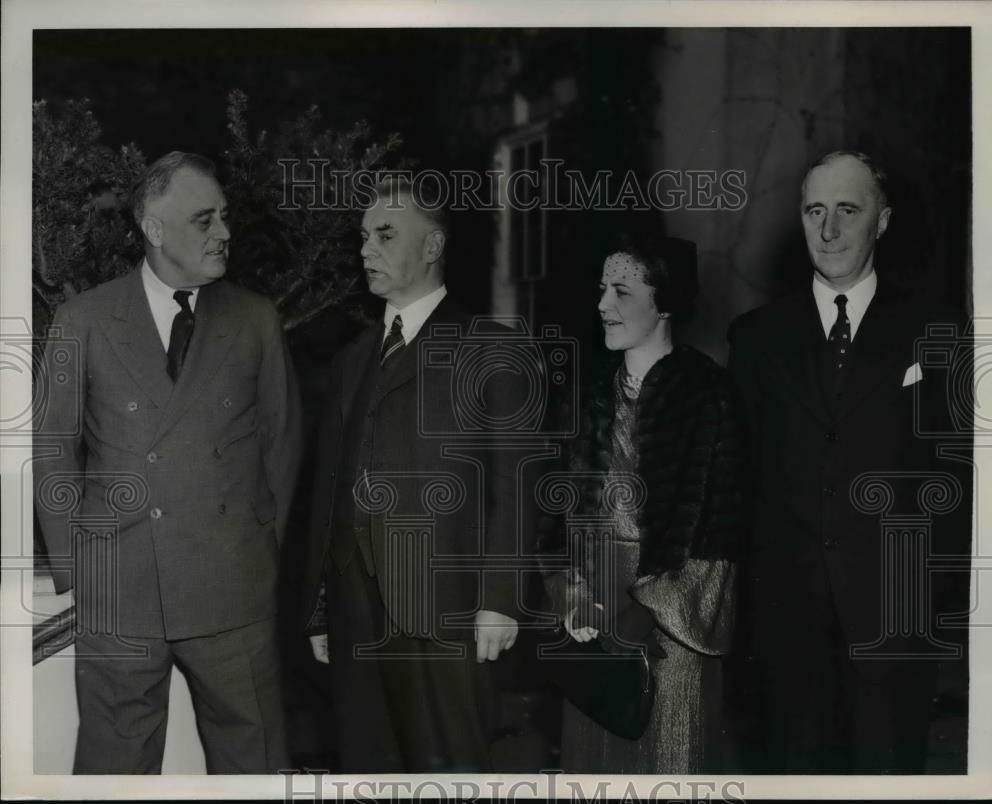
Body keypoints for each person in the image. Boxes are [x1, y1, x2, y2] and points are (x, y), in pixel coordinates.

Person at [33, 152, 303, 773]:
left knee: (254, 765)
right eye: (203, 220)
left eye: (225, 218)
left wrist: (260, 552)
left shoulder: (255, 319)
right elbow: (53, 454)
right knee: (113, 771)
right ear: (154, 230)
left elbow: (282, 447)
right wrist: (80, 575)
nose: (224, 233)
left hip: (232, 591)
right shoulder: (85, 320)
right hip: (120, 592)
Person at [727, 150, 970, 773]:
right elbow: (738, 484)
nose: (829, 230)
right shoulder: (755, 339)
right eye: (815, 211)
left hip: (895, 624)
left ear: (881, 222)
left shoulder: (935, 330)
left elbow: (958, 477)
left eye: (847, 210)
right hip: (786, 628)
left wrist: (933, 600)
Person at [301, 178, 522, 772]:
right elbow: (327, 491)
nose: (366, 248)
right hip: (354, 605)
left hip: (443, 607)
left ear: (432, 246)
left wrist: (499, 601)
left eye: (386, 234)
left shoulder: (490, 349)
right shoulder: (351, 360)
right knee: (368, 768)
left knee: (447, 767)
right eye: (364, 236)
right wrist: (320, 606)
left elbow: (515, 489)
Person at [540, 223, 745, 773]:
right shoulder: (582, 397)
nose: (602, 303)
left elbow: (722, 535)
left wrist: (645, 612)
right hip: (592, 618)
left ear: (666, 303)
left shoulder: (709, 396)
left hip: (672, 629)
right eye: (602, 288)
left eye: (622, 291)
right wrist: (573, 595)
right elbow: (557, 525)